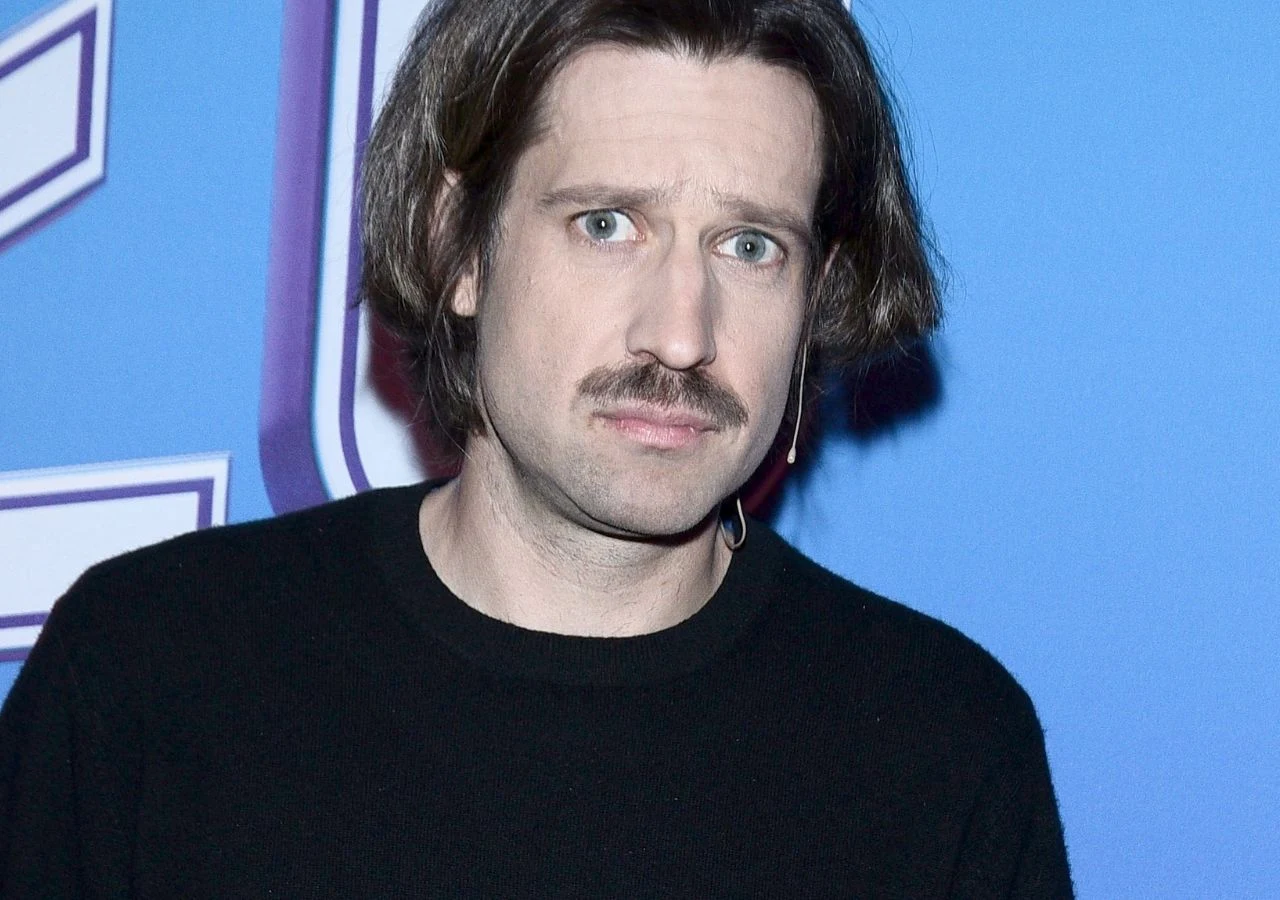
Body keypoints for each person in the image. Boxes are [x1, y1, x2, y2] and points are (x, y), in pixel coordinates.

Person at [0, 0, 1073, 895]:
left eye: (749, 246)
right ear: (456, 246)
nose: (681, 335)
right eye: (606, 225)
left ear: (814, 293)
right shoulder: (154, 673)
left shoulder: (938, 747)